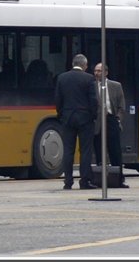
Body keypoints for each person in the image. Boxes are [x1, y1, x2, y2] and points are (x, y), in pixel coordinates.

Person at [55, 54, 98, 190]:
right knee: (85, 150)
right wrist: (93, 115)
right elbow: (93, 100)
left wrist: (62, 115)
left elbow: (58, 99)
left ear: (73, 63)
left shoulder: (62, 78)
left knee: (68, 151)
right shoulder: (89, 78)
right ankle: (84, 181)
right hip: (85, 118)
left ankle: (68, 181)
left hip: (68, 118)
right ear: (84, 65)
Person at [93, 62, 128, 188]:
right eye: (95, 71)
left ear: (106, 73)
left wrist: (118, 119)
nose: (97, 73)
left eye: (99, 71)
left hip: (111, 119)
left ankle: (119, 179)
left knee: (115, 151)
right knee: (99, 151)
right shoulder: (91, 87)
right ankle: (99, 180)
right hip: (97, 122)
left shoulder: (116, 86)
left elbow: (121, 106)